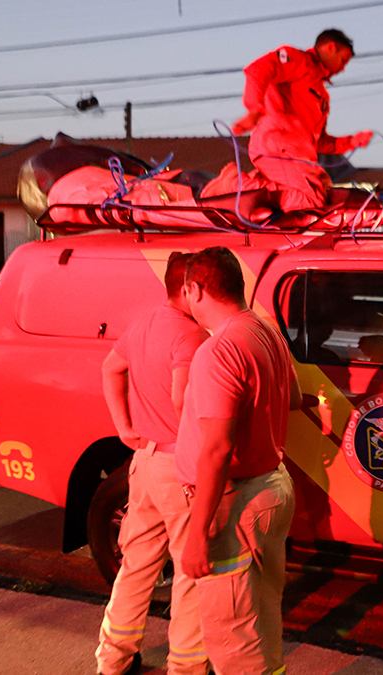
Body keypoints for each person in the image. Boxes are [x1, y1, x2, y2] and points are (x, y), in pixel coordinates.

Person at [176, 247, 302, 675]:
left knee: (233, 640)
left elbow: (216, 449)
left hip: (236, 505)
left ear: (195, 290)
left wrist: (196, 535)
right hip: (273, 488)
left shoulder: (219, 351)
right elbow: (297, 397)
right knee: (263, 622)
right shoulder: (264, 330)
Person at [96, 252, 211, 675]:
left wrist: (124, 427)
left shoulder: (143, 324)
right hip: (179, 466)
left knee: (136, 565)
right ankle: (187, 667)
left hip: (142, 463)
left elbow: (111, 368)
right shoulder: (192, 336)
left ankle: (113, 659)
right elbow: (185, 399)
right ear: (188, 288)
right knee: (191, 571)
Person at [232, 29, 374, 213]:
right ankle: (237, 188)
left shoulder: (322, 97)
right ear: (331, 48)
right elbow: (258, 70)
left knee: (329, 196)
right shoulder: (299, 61)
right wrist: (255, 108)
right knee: (308, 201)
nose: (343, 68)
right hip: (278, 150)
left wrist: (351, 142)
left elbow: (319, 142)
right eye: (343, 60)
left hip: (301, 160)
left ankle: (265, 202)